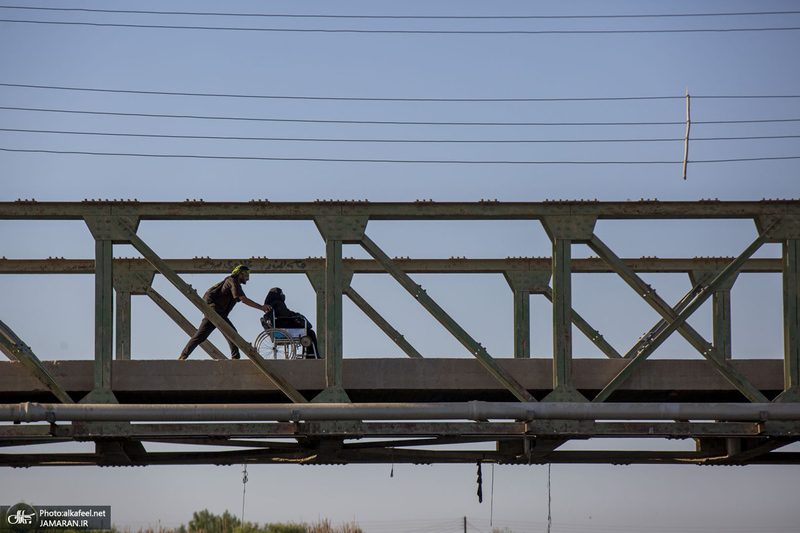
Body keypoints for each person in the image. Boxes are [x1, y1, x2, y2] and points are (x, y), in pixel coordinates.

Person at [178, 264, 271, 360]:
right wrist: (261, 307)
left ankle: (183, 356)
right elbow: (243, 299)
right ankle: (236, 359)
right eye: (246, 275)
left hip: (213, 311)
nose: (248, 278)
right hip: (216, 311)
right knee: (232, 333)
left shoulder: (233, 283)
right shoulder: (232, 281)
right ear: (240, 274)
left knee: (201, 336)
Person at [263, 287, 320, 358]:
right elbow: (286, 314)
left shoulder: (270, 307)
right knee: (310, 333)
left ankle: (308, 356)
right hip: (286, 330)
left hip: (279, 330)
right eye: (281, 293)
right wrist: (295, 314)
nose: (283, 295)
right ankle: (311, 356)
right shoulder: (278, 303)